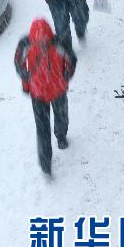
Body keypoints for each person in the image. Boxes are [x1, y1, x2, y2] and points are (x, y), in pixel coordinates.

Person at [14, 18, 77, 176]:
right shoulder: (59, 42)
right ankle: (61, 137)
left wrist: (26, 83)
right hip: (55, 90)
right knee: (61, 116)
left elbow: (19, 66)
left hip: (39, 93)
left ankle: (45, 162)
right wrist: (65, 76)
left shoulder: (26, 44)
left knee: (42, 129)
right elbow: (72, 60)